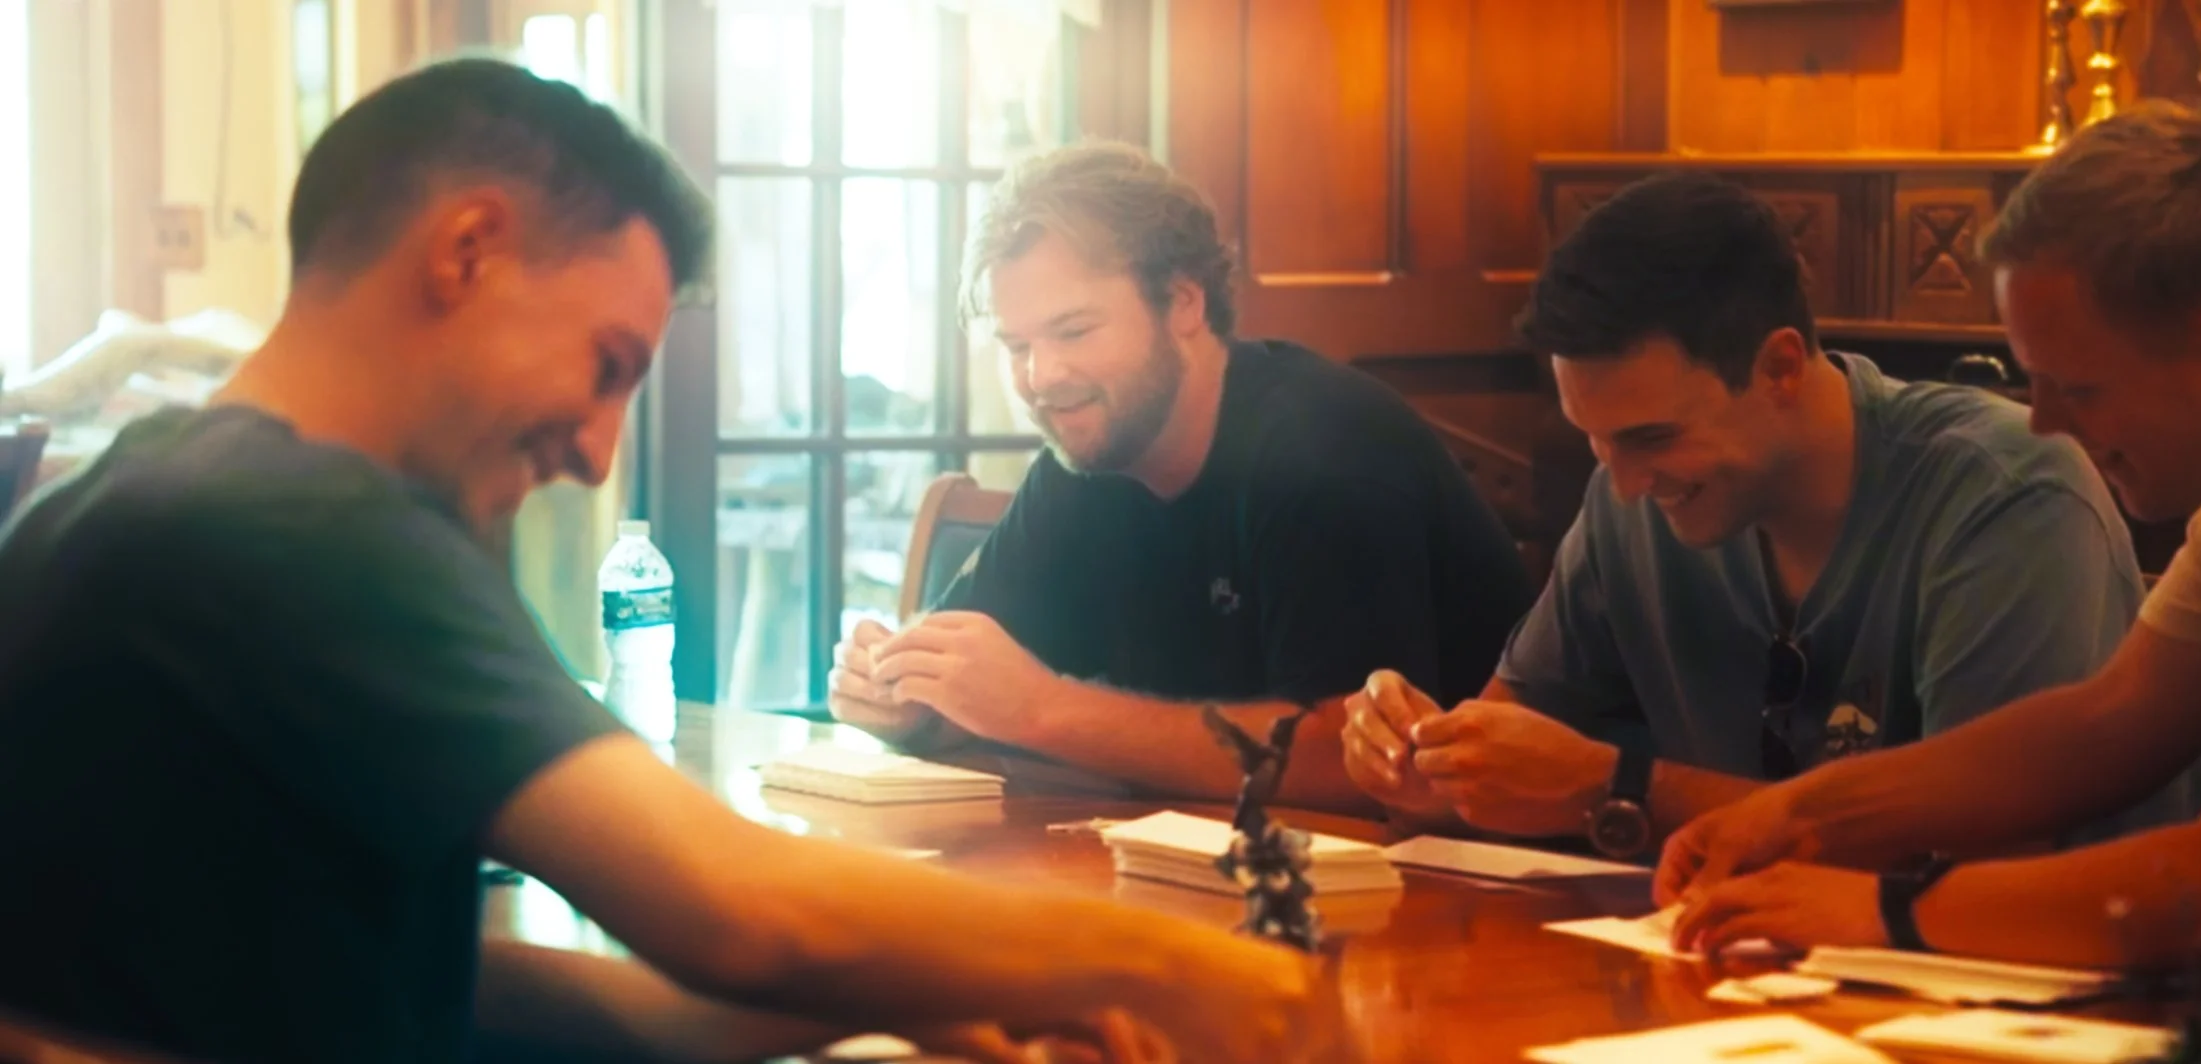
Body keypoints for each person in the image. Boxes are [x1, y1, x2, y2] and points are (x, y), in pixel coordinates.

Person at [0, 60, 1322, 1064]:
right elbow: (738, 910)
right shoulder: (304, 526)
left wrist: (936, 983)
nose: (594, 448)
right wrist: (1153, 962)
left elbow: (438, 986)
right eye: (608, 367)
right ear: (465, 252)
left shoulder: (141, 484)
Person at [1653, 103, 2201, 1000]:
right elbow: (2108, 722)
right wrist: (1798, 814)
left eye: (2078, 387)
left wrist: (1885, 913)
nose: (2047, 422)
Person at [1341, 171, 2201, 860]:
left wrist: (1621, 790)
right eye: (1597, 442)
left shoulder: (2006, 492)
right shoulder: (1627, 497)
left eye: (1651, 436)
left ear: (1781, 367)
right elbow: (1497, 761)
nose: (1628, 484)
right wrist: (1426, 766)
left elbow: (1982, 858)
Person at [832, 141, 1536, 812]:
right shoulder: (1081, 462)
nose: (1041, 378)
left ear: (1184, 303)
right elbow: (978, 703)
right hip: (1192, 871)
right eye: (1016, 346)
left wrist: (1043, 709)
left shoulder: (1323, 449)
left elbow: (1351, 764)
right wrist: (905, 698)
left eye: (1074, 332)